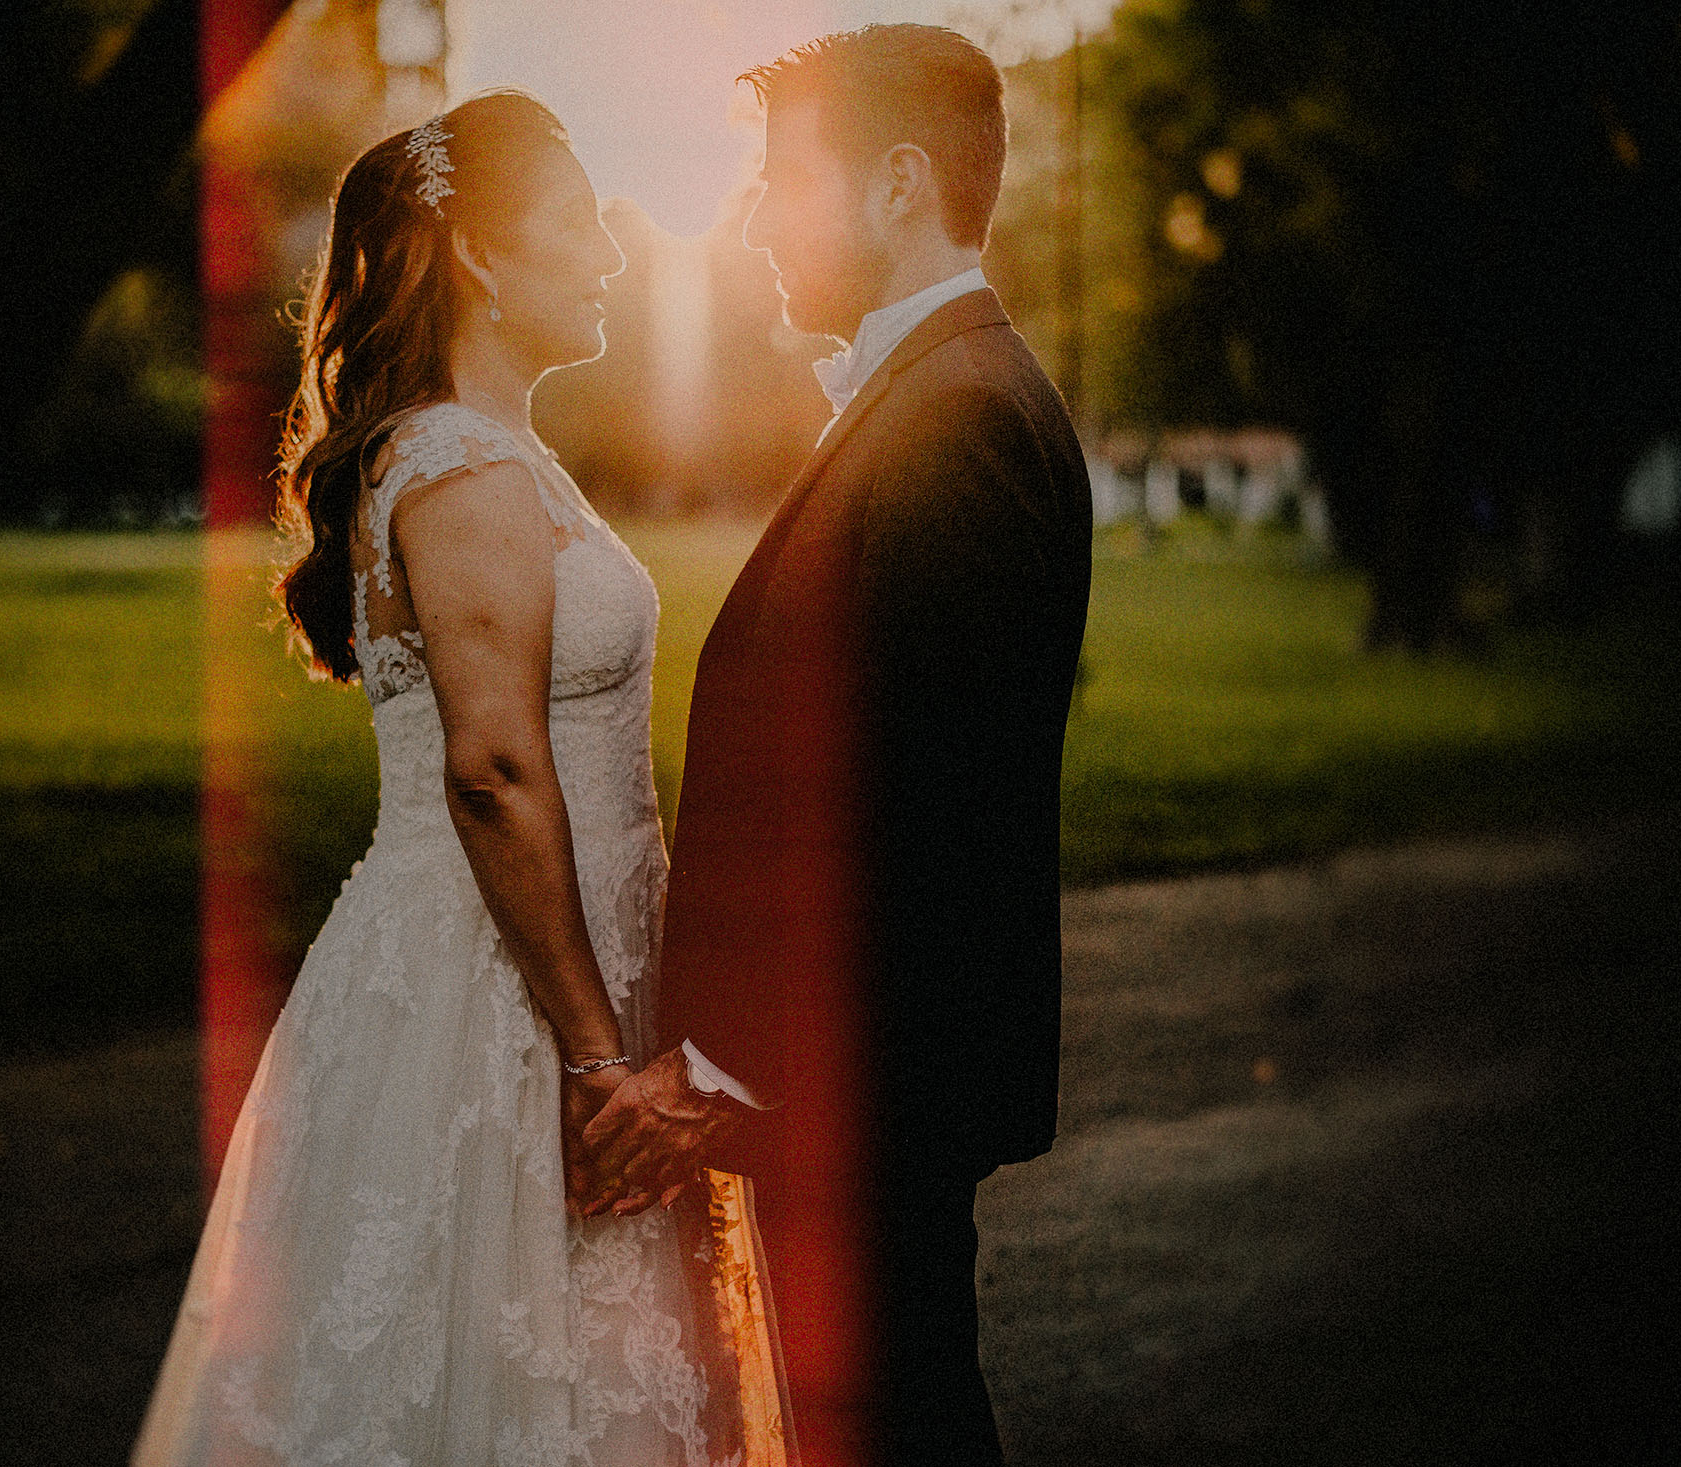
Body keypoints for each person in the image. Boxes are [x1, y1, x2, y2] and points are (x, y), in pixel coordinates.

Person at [130, 91, 789, 1467]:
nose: (612, 259)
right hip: (505, 992)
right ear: (483, 257)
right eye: (579, 230)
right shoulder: (460, 462)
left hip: (562, 963)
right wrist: (598, 1057)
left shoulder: (498, 452)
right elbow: (490, 770)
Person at [580, 25, 1094, 1467]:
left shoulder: (960, 424)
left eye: (779, 178)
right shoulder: (930, 397)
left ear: (896, 186)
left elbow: (916, 827)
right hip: (859, 1099)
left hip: (872, 1105)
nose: (749, 215)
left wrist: (728, 1077)